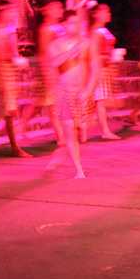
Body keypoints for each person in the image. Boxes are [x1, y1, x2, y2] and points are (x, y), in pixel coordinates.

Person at [46, 10, 97, 178]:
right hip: (64, 92)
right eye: (71, 23)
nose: (75, 26)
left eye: (78, 23)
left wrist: (88, 90)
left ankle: (57, 158)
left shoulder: (87, 43)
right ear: (64, 25)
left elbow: (95, 69)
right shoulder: (55, 45)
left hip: (82, 93)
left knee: (79, 133)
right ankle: (79, 170)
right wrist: (73, 50)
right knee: (70, 132)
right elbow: (54, 63)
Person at [0, 1, 32, 157]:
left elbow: (13, 51)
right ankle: (15, 146)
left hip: (10, 73)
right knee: (9, 112)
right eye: (10, 11)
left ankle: (14, 144)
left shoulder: (9, 29)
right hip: (3, 74)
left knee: (10, 113)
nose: (13, 14)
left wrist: (18, 61)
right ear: (1, 12)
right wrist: (14, 60)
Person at [89, 4, 121, 140]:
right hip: (99, 68)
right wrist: (107, 57)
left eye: (108, 11)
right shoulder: (95, 31)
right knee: (100, 100)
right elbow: (93, 53)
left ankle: (102, 129)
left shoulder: (103, 30)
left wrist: (113, 56)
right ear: (96, 14)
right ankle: (105, 131)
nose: (108, 14)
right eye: (105, 11)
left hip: (106, 67)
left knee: (101, 100)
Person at [37, 0, 66, 145]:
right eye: (56, 8)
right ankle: (60, 136)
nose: (60, 10)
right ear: (47, 11)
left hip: (64, 69)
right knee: (53, 105)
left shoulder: (61, 27)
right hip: (52, 70)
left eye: (60, 8)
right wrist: (48, 72)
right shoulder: (45, 29)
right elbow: (44, 53)